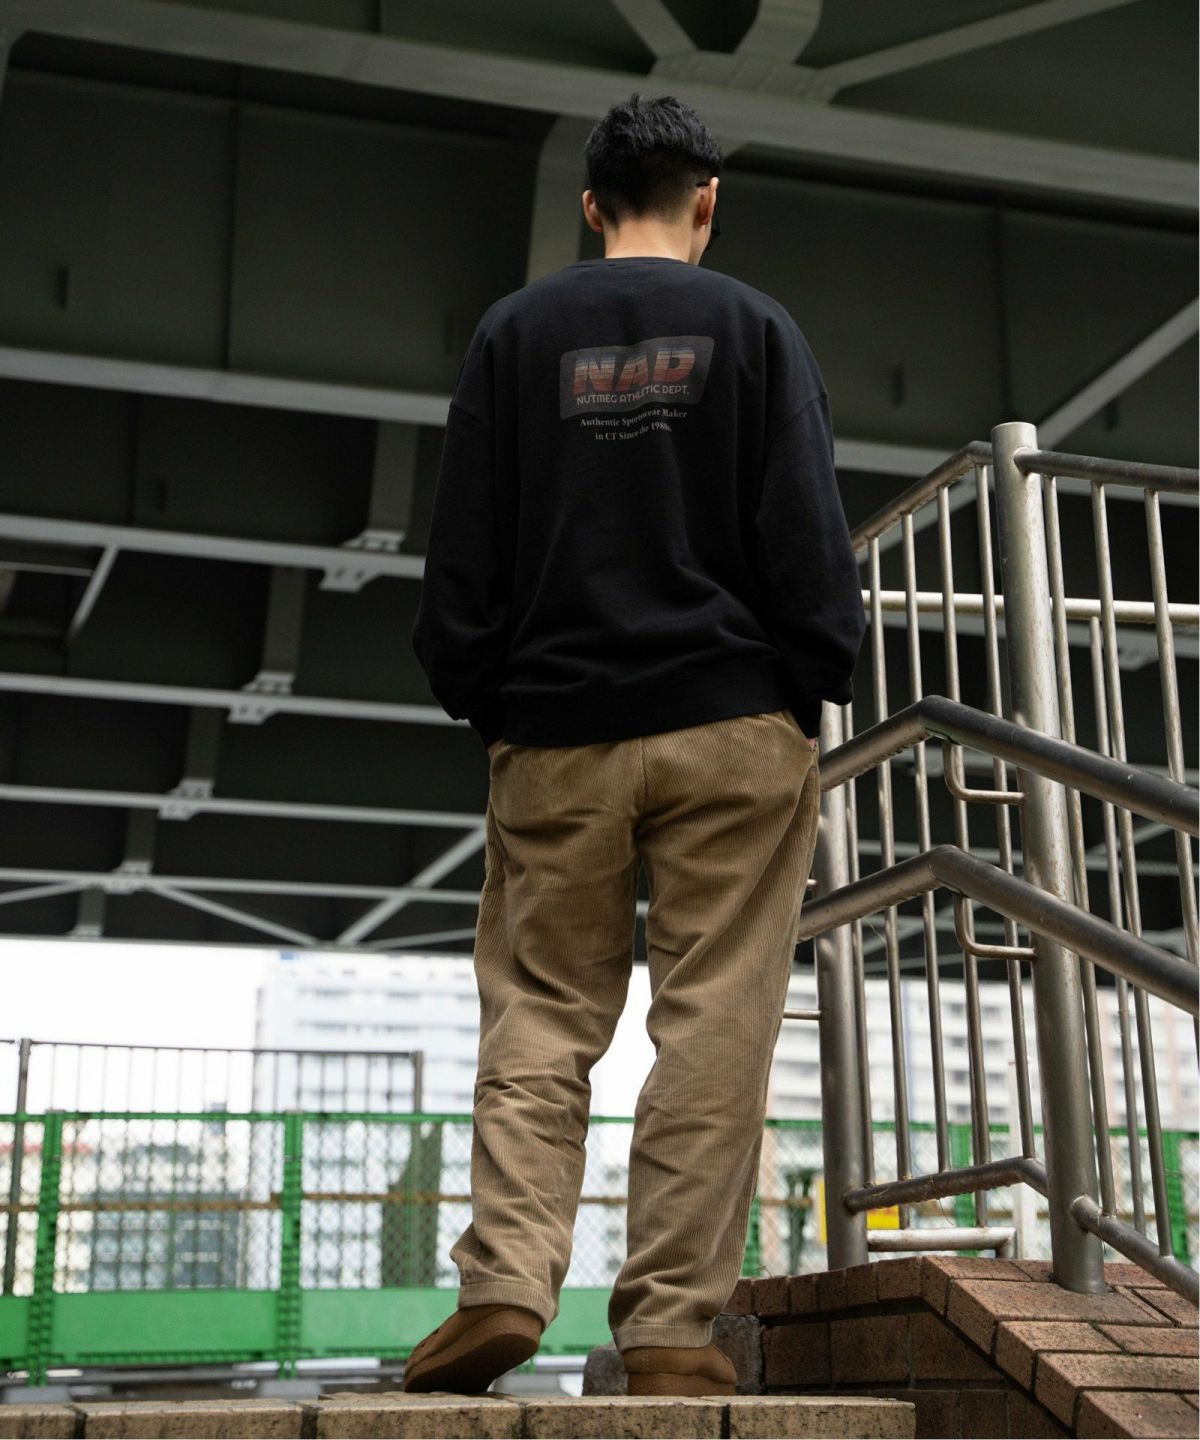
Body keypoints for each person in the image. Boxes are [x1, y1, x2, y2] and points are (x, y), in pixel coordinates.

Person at [403, 93, 865, 1398]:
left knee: (541, 1011)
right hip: (733, 725)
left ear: (591, 203)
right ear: (707, 200)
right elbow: (806, 543)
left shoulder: (513, 333)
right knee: (714, 1017)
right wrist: (807, 684)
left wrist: (493, 702)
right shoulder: (759, 328)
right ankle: (668, 1328)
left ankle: (504, 1283)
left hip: (558, 730)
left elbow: (461, 564)